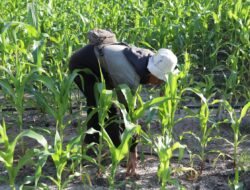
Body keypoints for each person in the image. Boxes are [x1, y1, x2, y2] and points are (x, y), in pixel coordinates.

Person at [69, 35, 178, 177]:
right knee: (105, 110)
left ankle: (94, 148)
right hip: (82, 65)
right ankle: (101, 152)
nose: (159, 83)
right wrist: (133, 151)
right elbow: (129, 114)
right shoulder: (129, 76)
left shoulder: (151, 58)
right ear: (153, 72)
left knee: (104, 110)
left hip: (102, 65)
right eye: (160, 79)